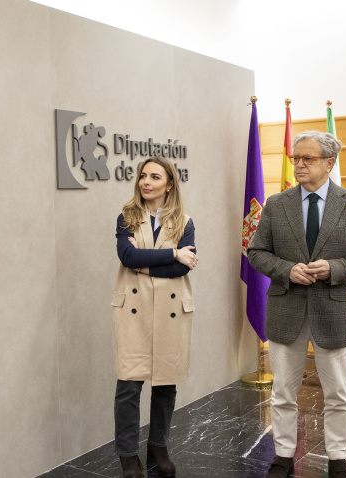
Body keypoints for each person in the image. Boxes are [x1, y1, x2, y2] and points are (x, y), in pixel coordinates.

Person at [247, 131, 346, 478]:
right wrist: (287, 270)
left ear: (329, 163)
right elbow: (257, 252)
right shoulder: (277, 204)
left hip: (333, 313)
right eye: (296, 159)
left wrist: (335, 269)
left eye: (308, 159)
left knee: (338, 394)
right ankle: (282, 455)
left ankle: (337, 459)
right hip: (285, 310)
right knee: (283, 392)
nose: (299, 165)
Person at [112, 157, 198, 478]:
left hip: (171, 310)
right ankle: (127, 454)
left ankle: (158, 446)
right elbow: (127, 255)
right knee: (129, 385)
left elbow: (182, 268)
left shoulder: (185, 222)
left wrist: (146, 264)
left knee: (165, 383)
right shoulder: (127, 216)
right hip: (133, 310)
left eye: (154, 177)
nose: (146, 182)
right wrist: (173, 252)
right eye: (143, 176)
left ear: (169, 184)